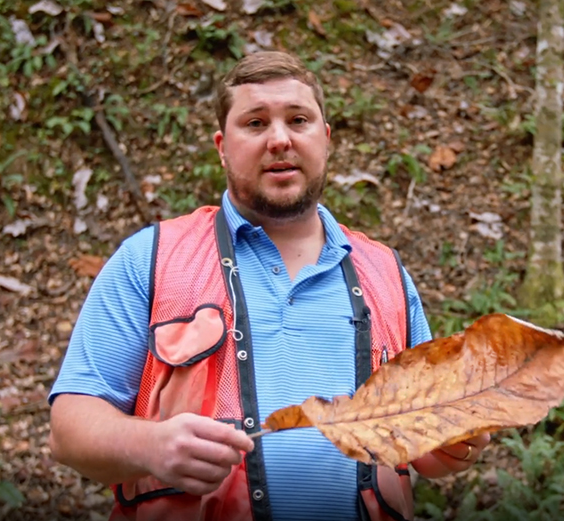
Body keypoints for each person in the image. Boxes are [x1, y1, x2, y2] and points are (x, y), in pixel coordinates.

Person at [47, 50, 490, 521]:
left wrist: (456, 445)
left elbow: (426, 444)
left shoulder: (386, 273)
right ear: (222, 145)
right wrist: (151, 446)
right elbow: (68, 429)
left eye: (298, 120)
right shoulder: (152, 259)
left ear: (325, 138)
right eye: (255, 123)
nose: (279, 139)